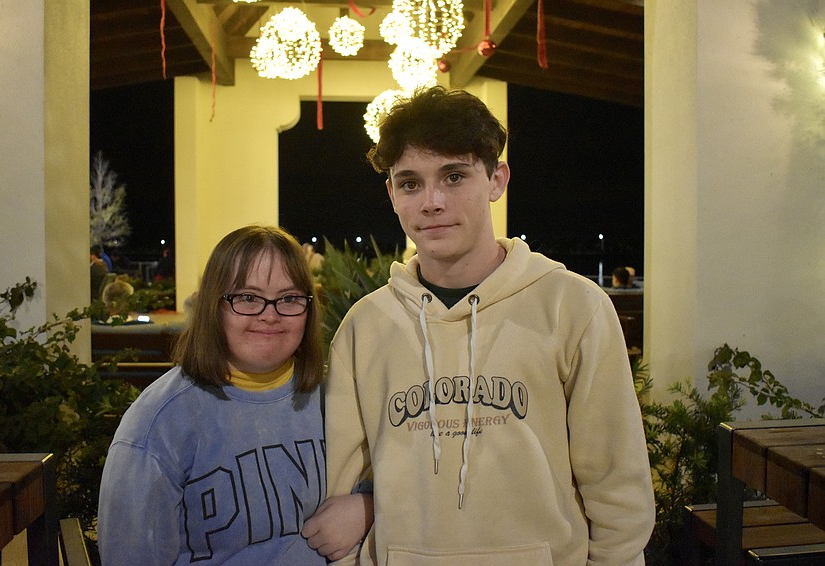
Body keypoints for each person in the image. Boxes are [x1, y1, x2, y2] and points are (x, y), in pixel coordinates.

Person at [323, 86, 655, 565]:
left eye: (454, 176)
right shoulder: (365, 327)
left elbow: (615, 484)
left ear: (497, 179)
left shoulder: (572, 307)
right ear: (392, 193)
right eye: (410, 183)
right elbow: (342, 483)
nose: (431, 201)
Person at [98, 225, 371, 565]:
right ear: (214, 306)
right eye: (247, 298)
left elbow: (412, 483)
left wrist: (368, 508)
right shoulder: (159, 423)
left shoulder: (336, 399)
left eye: (288, 299)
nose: (269, 315)